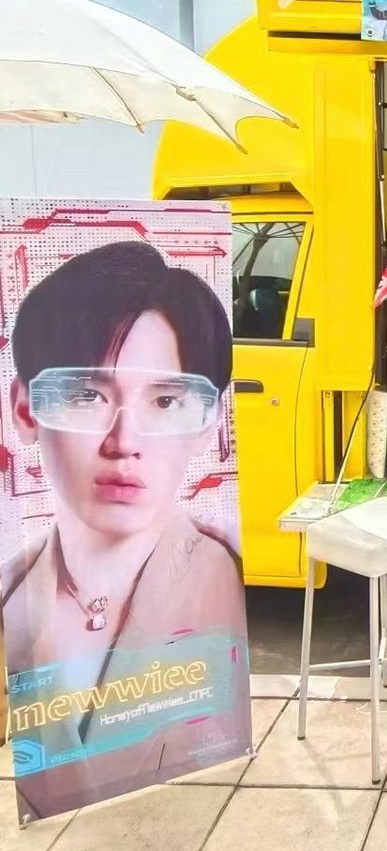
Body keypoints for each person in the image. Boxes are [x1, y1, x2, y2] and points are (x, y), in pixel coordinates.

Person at [1, 240, 251, 820]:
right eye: (86, 395)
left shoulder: (224, 574)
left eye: (165, 401)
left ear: (209, 421)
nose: (124, 442)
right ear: (25, 410)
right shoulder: (12, 599)